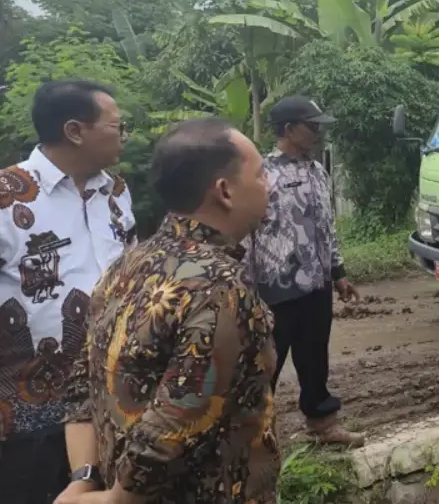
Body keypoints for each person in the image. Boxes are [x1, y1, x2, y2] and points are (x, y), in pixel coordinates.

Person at [57, 118, 277, 504]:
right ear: (224, 191)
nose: (269, 185)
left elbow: (82, 380)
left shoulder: (128, 263)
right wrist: (119, 499)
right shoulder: (222, 286)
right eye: (260, 175)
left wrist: (84, 479)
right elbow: (180, 413)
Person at [0, 80, 134, 504]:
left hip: (109, 399)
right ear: (76, 131)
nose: (124, 135)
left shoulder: (115, 192)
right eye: (117, 126)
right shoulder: (7, 197)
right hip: (28, 414)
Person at [244, 96, 363, 447]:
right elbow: (247, 232)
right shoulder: (263, 175)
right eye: (312, 126)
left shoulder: (317, 171)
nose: (318, 133)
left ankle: (322, 423)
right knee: (266, 364)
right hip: (274, 288)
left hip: (316, 284)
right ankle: (251, 437)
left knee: (314, 357)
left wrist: (338, 273)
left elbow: (328, 227)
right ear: (288, 129)